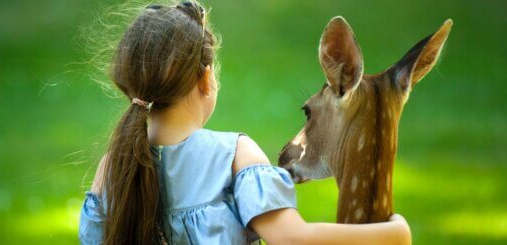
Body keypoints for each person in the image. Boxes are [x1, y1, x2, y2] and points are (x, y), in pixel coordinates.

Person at [78, 1, 412, 244]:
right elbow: (295, 239)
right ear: (206, 78)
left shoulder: (114, 165)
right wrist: (395, 233)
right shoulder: (234, 154)